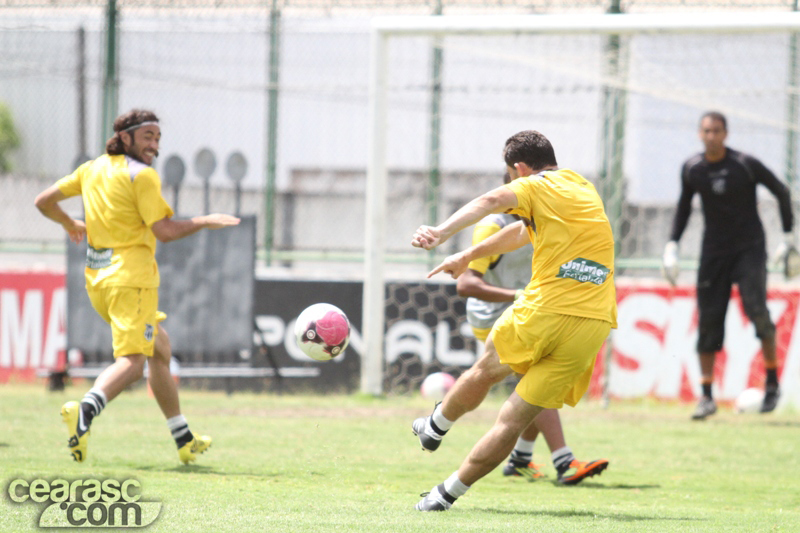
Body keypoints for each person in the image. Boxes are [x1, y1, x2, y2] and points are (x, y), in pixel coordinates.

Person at [410, 130, 617, 511]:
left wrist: (442, 233)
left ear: (519, 169)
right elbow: (523, 231)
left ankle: (436, 426)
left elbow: (491, 201)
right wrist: (467, 255)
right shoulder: (583, 188)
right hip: (594, 322)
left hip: (546, 308)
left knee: (486, 368)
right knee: (513, 421)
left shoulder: (534, 185)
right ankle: (444, 495)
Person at [34, 109, 240, 463]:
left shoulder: (92, 169)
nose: (154, 145)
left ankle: (183, 438)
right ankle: (85, 410)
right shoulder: (141, 177)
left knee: (160, 348)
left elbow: (43, 201)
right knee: (132, 361)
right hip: (132, 281)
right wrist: (205, 220)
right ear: (125, 137)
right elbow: (166, 231)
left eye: (158, 138)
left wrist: (70, 222)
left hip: (99, 281)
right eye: (147, 136)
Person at [662, 111, 793, 420]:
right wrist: (672, 245)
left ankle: (772, 384)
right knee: (708, 322)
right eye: (706, 131)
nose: (711, 136)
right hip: (714, 253)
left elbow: (781, 191)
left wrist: (788, 237)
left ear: (725, 133)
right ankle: (706, 396)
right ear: (700, 134)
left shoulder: (744, 165)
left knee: (758, 312)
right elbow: (683, 207)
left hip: (749, 249)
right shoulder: (692, 168)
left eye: (717, 131)